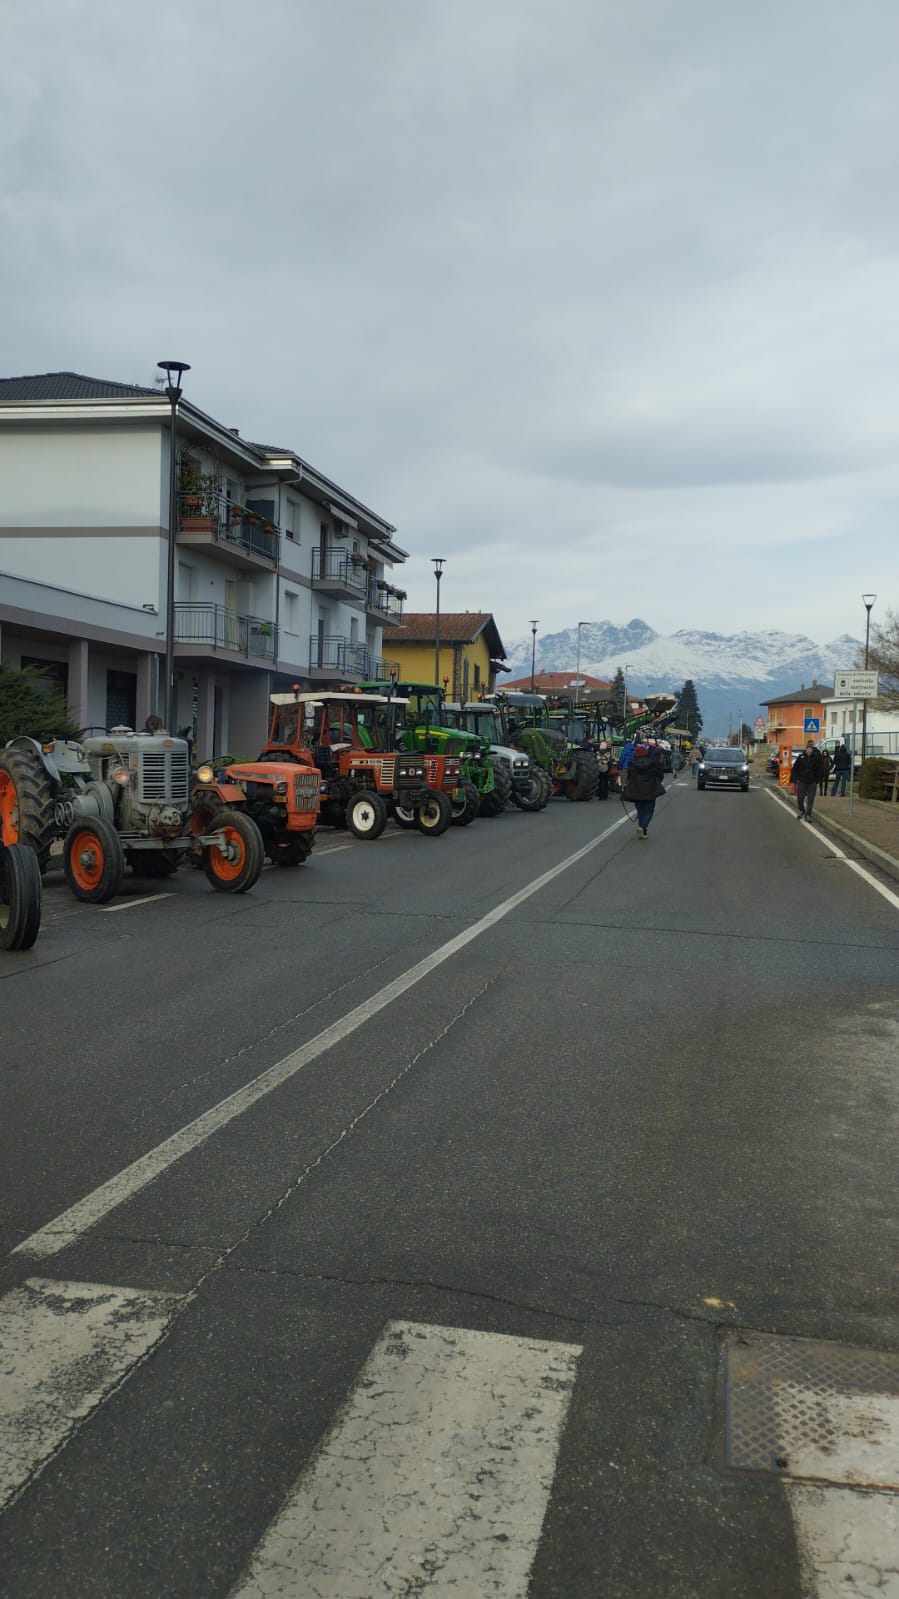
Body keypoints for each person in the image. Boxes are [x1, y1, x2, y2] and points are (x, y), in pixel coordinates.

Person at [622, 742, 666, 839]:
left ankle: (642, 830)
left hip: (636, 790)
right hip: (650, 789)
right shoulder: (652, 763)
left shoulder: (632, 764)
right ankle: (643, 827)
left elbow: (628, 778)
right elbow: (659, 774)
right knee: (649, 810)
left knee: (640, 810)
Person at [790, 741, 825, 821]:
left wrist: (817, 780)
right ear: (806, 749)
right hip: (802, 781)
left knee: (810, 799)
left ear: (812, 750)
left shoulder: (816, 758)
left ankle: (808, 814)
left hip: (812, 782)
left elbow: (820, 770)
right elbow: (795, 769)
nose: (809, 750)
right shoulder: (801, 757)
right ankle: (802, 810)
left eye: (810, 749)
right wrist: (795, 779)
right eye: (808, 749)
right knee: (800, 798)